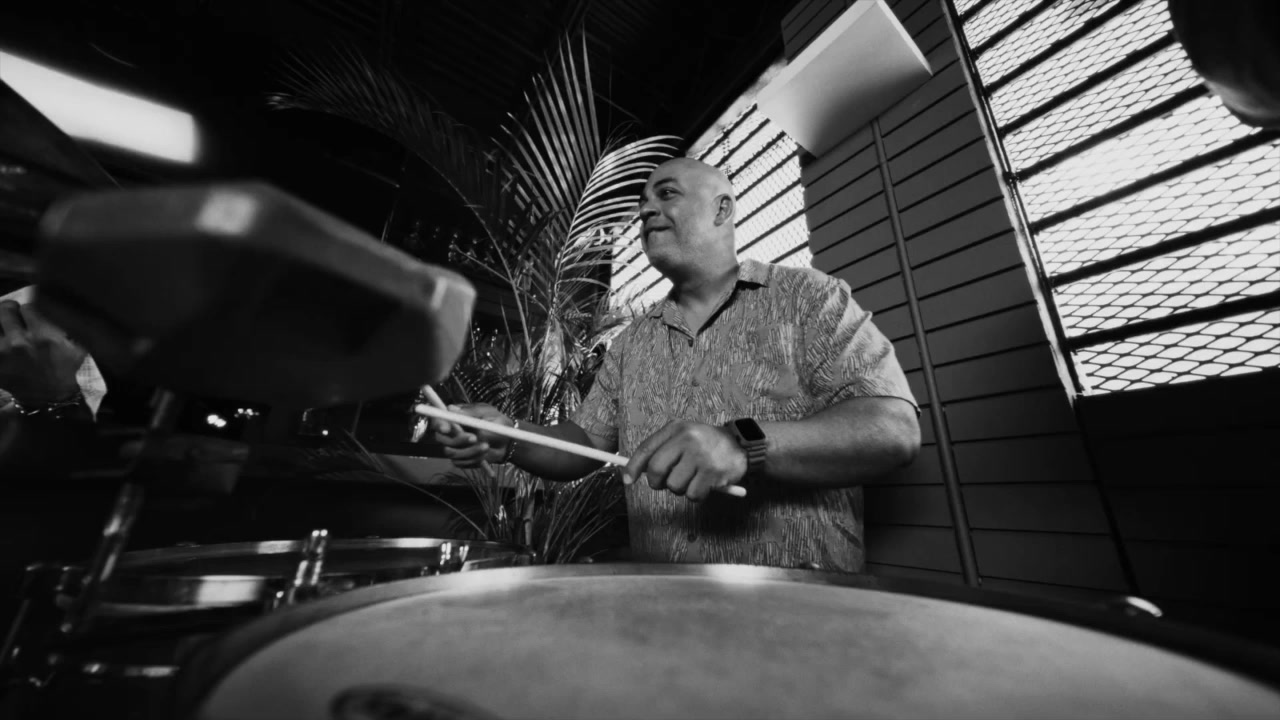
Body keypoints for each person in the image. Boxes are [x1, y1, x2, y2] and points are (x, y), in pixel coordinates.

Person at [429, 157, 920, 572]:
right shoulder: (630, 342)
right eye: (643, 202)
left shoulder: (809, 297)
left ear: (722, 209)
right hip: (664, 607)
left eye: (666, 193)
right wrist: (511, 436)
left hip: (801, 610)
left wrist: (742, 444)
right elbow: (583, 444)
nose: (645, 209)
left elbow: (893, 430)